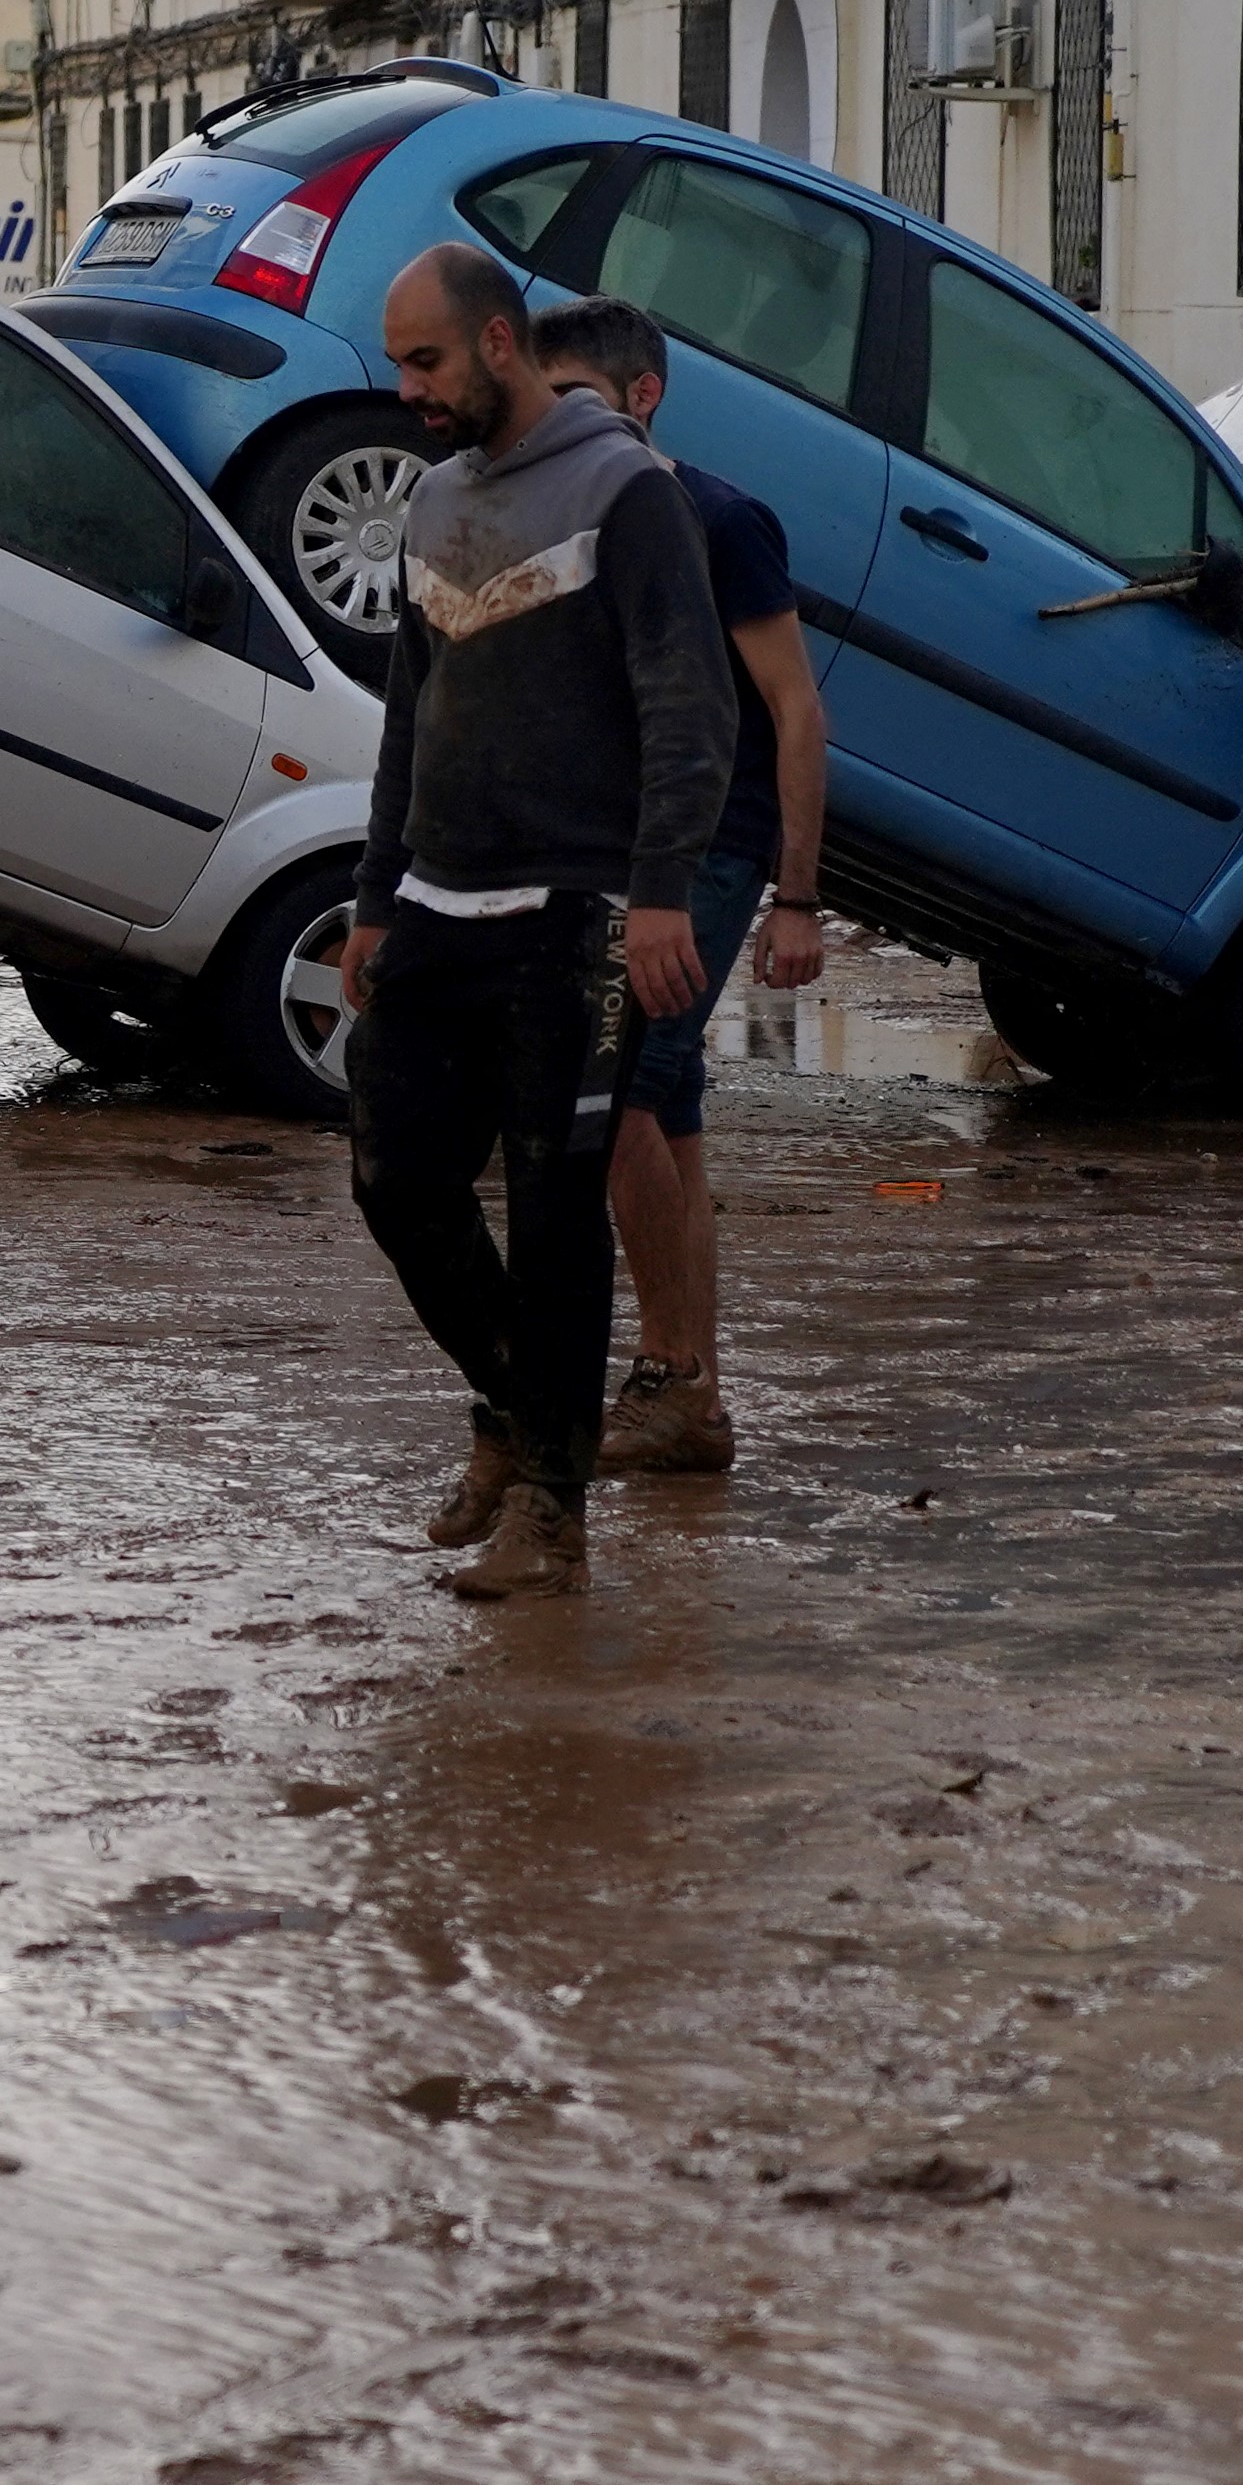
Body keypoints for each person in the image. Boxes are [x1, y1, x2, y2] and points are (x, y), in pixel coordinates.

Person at [340, 244, 735, 1600]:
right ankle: (518, 1414)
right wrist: (371, 896)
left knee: (558, 1210)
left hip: (577, 918)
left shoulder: (624, 491)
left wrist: (659, 892)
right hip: (438, 908)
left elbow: (693, 705)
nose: (407, 390)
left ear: (497, 342)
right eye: (398, 364)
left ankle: (552, 1511)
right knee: (394, 1175)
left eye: (425, 360)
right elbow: (408, 713)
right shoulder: (432, 500)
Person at [531, 295, 831, 1479]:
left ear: (640, 394)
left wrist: (795, 896)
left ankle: (664, 1375)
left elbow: (795, 707)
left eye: (576, 401)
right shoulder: (570, 516)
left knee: (618, 1107)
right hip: (616, 851)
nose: (554, 426)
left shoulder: (717, 517)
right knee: (668, 1117)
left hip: (706, 848)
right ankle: (691, 1396)